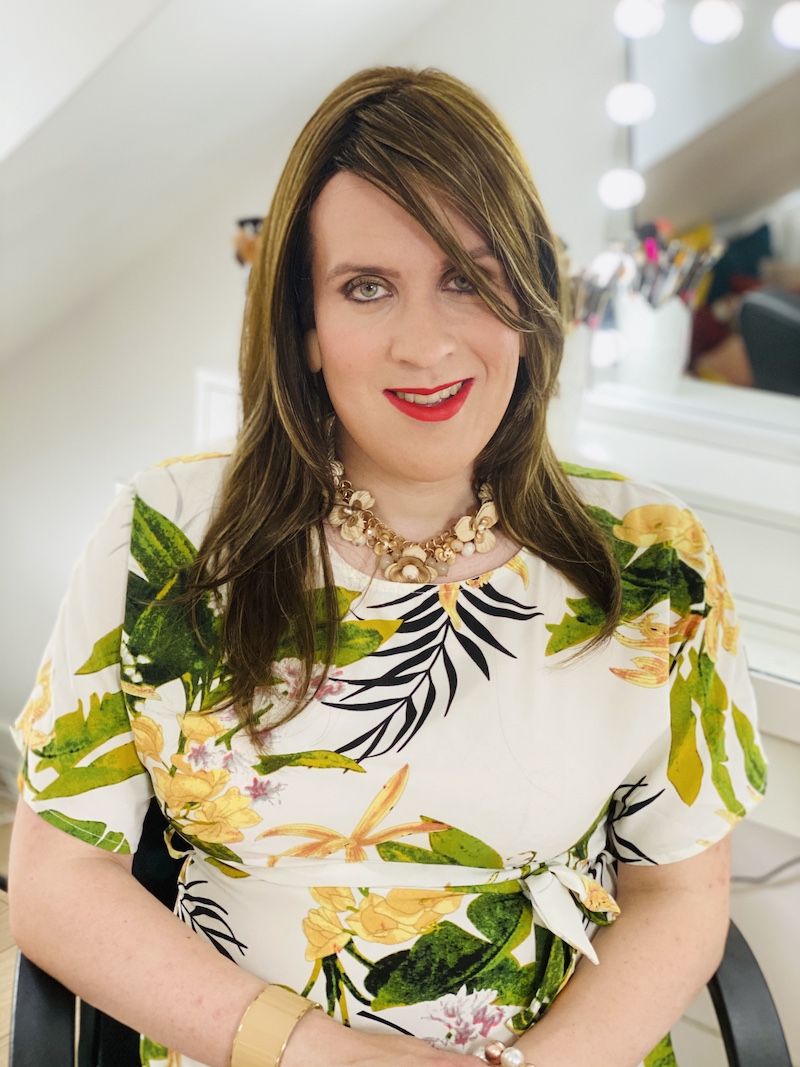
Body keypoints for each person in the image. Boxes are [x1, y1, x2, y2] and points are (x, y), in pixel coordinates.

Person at [9, 67, 765, 1067]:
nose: (425, 343)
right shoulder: (167, 542)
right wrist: (326, 1054)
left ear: (528, 300)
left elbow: (677, 890)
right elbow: (57, 884)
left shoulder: (654, 560)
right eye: (367, 287)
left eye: (468, 278)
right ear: (305, 330)